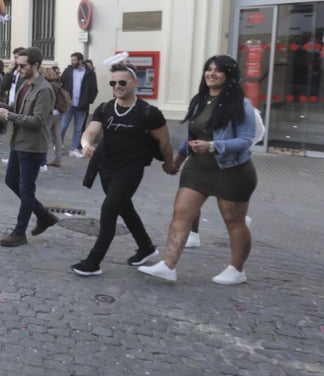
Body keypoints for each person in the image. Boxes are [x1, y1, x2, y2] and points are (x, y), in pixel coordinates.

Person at [140, 55, 260, 285]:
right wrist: (177, 161)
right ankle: (168, 265)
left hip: (232, 171)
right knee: (181, 214)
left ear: (229, 76)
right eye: (208, 69)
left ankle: (237, 269)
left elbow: (246, 139)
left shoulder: (241, 104)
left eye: (218, 70)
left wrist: (214, 146)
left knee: (234, 221)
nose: (211, 73)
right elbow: (191, 136)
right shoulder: (200, 100)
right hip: (198, 169)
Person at [70, 61, 174, 276]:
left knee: (109, 212)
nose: (117, 86)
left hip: (130, 170)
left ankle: (93, 262)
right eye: (113, 82)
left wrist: (170, 163)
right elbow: (90, 131)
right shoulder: (106, 108)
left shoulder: (148, 112)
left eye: (122, 82)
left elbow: (164, 142)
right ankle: (145, 247)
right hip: (106, 169)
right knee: (124, 208)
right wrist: (86, 144)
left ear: (135, 82)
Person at [0, 47, 58, 247]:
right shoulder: (24, 84)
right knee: (11, 180)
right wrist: (3, 106)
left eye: (22, 65)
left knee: (26, 188)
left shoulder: (44, 89)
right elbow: (18, 109)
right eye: (16, 65)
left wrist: (9, 116)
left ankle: (20, 232)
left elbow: (38, 121)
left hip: (33, 146)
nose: (18, 68)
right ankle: (44, 215)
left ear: (35, 66)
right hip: (18, 142)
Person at [60, 52, 99, 158]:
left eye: (74, 60)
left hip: (82, 106)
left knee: (78, 128)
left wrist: (88, 101)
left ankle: (74, 149)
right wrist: (63, 99)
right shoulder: (68, 71)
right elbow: (61, 85)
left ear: (80, 61)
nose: (72, 62)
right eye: (71, 60)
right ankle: (59, 146)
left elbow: (94, 89)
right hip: (69, 105)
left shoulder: (89, 73)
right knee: (63, 126)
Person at [43, 65, 68, 166]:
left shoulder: (49, 85)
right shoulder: (57, 83)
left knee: (44, 136)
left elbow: (50, 101)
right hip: (59, 112)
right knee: (57, 136)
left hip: (51, 113)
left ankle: (42, 160)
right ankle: (58, 159)